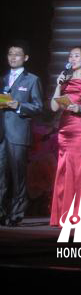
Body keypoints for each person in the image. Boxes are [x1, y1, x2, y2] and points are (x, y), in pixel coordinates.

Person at [49, 46, 81, 227]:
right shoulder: (65, 80)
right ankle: (62, 216)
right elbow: (54, 107)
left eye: (77, 56)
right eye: (70, 56)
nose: (72, 59)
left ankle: (80, 217)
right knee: (64, 170)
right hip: (65, 130)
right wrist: (58, 84)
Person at [0, 41, 43, 226]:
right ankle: (1, 212)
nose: (13, 57)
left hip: (18, 134)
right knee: (1, 176)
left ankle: (16, 213)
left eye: (17, 54)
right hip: (1, 133)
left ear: (25, 58)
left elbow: (38, 106)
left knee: (18, 176)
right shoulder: (2, 79)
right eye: (10, 54)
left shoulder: (32, 79)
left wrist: (19, 106)